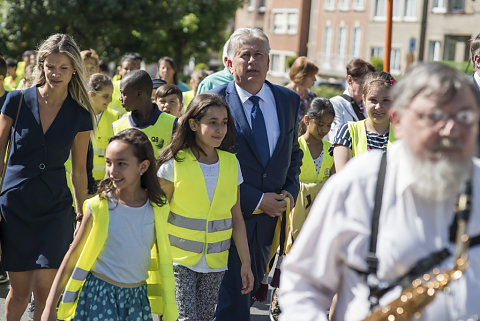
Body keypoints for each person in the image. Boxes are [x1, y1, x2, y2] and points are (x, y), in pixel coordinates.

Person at [279, 62, 480, 321]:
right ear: (399, 120)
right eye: (435, 116)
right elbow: (303, 282)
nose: (451, 130)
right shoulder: (359, 183)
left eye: (464, 116)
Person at [0, 33, 94, 321]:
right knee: (19, 291)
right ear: (40, 65)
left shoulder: (80, 115)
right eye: (50, 66)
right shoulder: (15, 101)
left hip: (55, 209)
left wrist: (82, 212)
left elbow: (79, 171)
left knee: (46, 291)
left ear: (74, 70)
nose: (55, 73)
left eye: (63, 68)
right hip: (15, 207)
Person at [211, 27, 302, 321]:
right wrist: (257, 199)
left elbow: (293, 153)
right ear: (229, 63)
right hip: (228, 219)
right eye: (244, 55)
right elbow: (207, 160)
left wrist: (289, 192)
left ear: (269, 60)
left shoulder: (288, 100)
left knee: (245, 299)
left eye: (258, 55)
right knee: (231, 305)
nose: (252, 61)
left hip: (270, 225)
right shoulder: (214, 102)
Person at [42, 128, 178, 321]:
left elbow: (162, 259)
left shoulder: (158, 208)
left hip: (136, 299)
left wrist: (166, 307)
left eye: (121, 164)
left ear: (143, 166)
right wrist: (50, 306)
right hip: (99, 295)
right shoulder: (98, 206)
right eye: (108, 162)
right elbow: (73, 256)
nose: (112, 171)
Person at [157, 93, 254, 321]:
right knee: (185, 318)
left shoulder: (232, 163)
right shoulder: (174, 164)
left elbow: (236, 217)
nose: (220, 129)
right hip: (177, 261)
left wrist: (246, 263)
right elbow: (157, 217)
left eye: (224, 123)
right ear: (192, 124)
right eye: (212, 122)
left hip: (215, 263)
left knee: (203, 318)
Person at [331, 71, 396, 171]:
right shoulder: (347, 132)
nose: (378, 107)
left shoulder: (403, 134)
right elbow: (342, 177)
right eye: (373, 100)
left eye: (386, 100)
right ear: (364, 100)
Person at [112, 70, 177, 158]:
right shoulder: (118, 126)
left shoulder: (173, 124)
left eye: (124, 93)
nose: (120, 98)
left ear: (139, 93)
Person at [325, 58, 375, 142]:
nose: (367, 87)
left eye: (370, 83)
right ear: (349, 80)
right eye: (363, 82)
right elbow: (335, 138)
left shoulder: (369, 104)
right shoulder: (335, 103)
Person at [87, 73, 118, 183]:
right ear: (91, 94)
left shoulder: (115, 118)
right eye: (105, 96)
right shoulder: (76, 115)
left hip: (105, 181)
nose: (110, 100)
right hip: (79, 180)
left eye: (111, 96)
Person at [285, 56, 318, 123]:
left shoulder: (312, 97)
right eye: (312, 76)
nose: (315, 79)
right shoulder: (282, 94)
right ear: (302, 75)